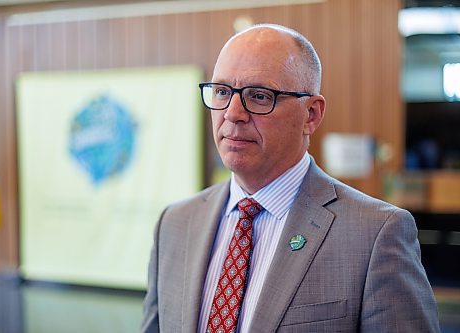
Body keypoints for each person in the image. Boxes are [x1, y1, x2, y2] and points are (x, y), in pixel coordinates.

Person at [141, 24, 440, 333]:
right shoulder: (175, 223)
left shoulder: (376, 234)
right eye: (221, 92)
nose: (232, 113)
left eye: (259, 96)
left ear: (311, 114)